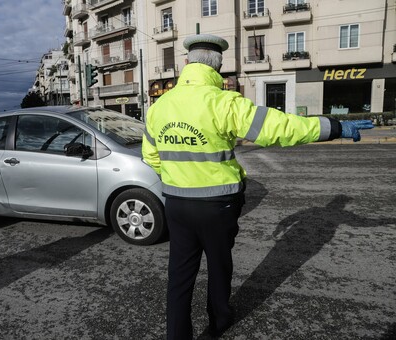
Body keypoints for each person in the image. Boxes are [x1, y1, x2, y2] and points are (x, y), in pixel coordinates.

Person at [141, 34, 373, 340]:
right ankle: (219, 321)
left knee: (180, 275)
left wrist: (179, 177)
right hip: (217, 205)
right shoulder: (224, 103)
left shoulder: (160, 106)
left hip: (177, 204)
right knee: (219, 267)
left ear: (186, 64)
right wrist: (333, 126)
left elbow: (150, 156)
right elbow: (280, 128)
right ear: (218, 66)